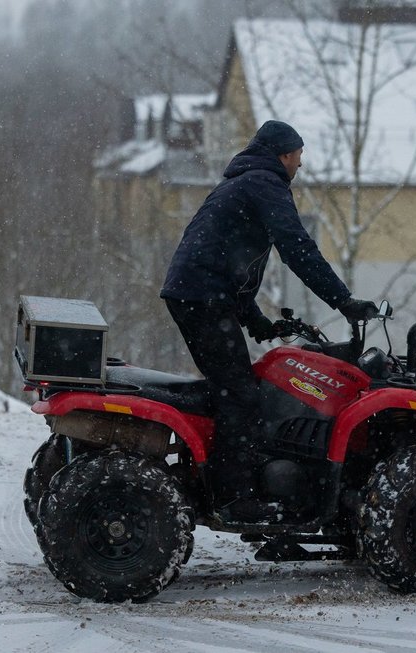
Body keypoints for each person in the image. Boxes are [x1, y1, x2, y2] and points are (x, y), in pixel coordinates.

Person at [160, 120, 377, 522]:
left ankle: (232, 478)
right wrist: (344, 301)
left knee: (239, 385)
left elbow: (227, 261)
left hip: (200, 294)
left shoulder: (242, 182)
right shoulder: (266, 184)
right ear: (284, 154)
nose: (300, 165)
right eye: (299, 156)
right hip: (201, 297)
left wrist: (258, 322)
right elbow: (297, 248)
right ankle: (233, 498)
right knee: (239, 393)